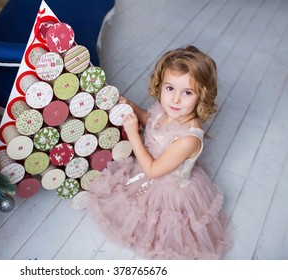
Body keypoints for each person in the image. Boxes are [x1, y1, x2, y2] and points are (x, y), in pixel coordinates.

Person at [87, 46, 231, 259]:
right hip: (147, 171)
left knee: (160, 228)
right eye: (170, 88)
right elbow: (150, 120)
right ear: (160, 85)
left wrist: (132, 134)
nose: (175, 99)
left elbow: (153, 170)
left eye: (187, 93)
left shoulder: (188, 139)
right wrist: (130, 105)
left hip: (168, 187)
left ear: (202, 96)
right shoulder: (167, 110)